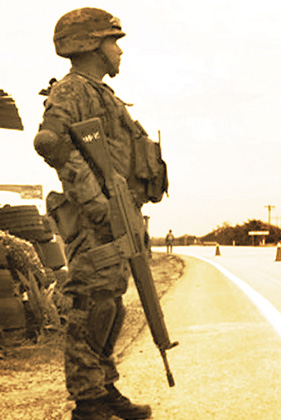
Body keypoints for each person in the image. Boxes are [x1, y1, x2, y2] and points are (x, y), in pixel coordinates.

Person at [33, 7, 168, 420]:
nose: (119, 51)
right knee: (91, 305)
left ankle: (103, 386)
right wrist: (97, 203)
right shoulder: (72, 91)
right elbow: (49, 142)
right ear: (91, 44)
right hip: (96, 221)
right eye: (113, 41)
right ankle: (88, 401)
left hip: (116, 216)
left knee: (110, 305)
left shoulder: (101, 93)